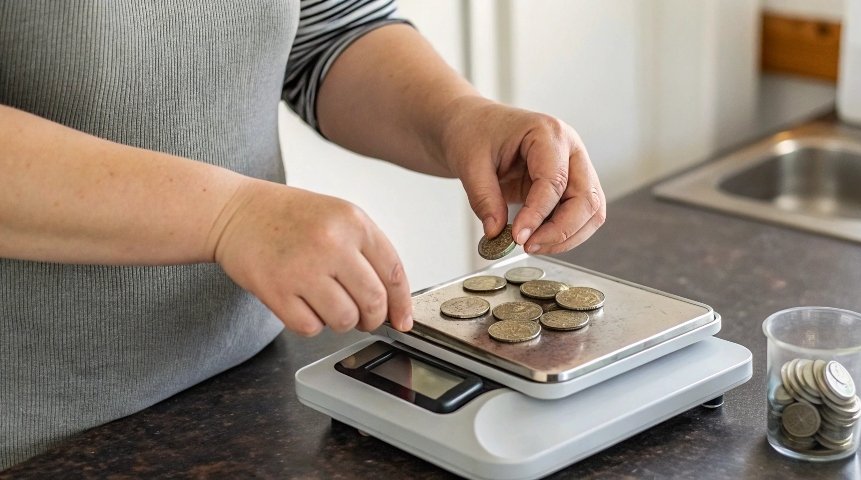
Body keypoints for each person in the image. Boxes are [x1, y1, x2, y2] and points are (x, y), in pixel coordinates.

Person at [0, 0, 606, 469]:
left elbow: (328, 29)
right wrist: (226, 214)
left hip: (242, 376)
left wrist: (458, 117)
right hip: (34, 435)